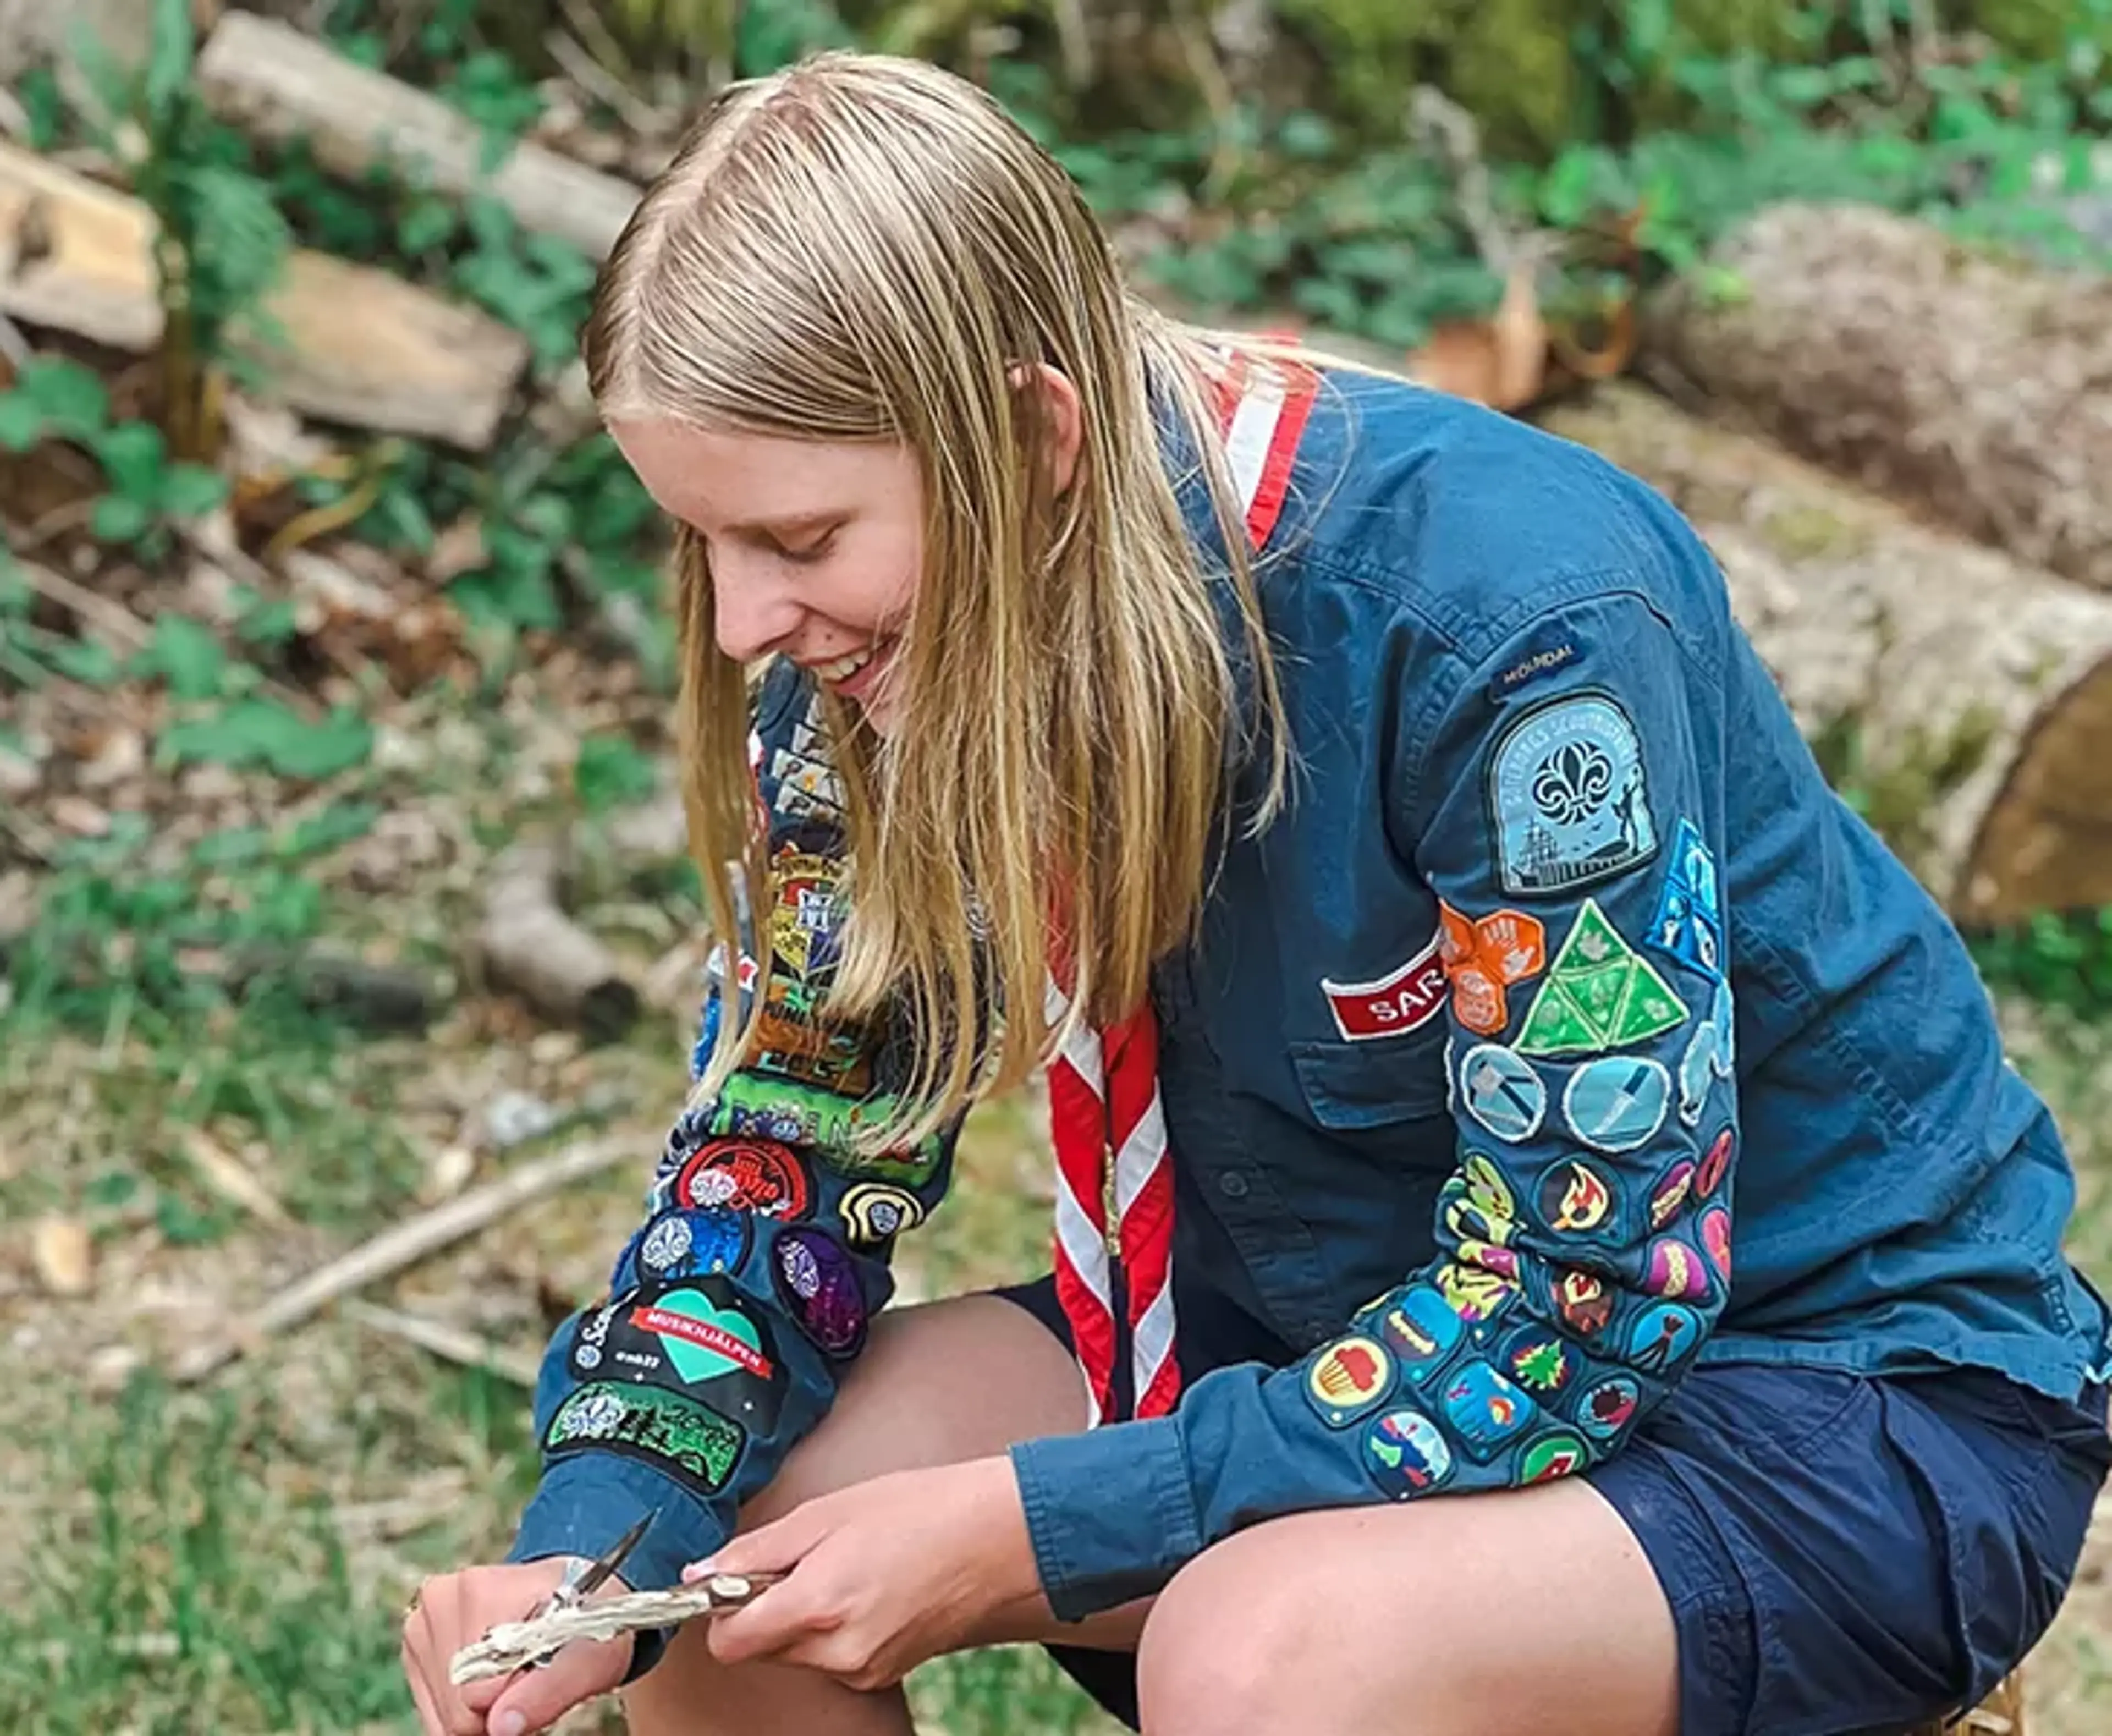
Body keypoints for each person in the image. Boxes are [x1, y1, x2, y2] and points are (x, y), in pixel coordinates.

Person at [397, 49, 2112, 1736]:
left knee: (1264, 1656)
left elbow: (1578, 1304)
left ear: (1033, 436)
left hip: (1818, 1387)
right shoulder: (875, 664)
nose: (740, 624)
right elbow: (784, 1149)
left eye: (797, 537)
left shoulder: (1509, 629)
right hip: (1324, 1338)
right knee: (724, 1555)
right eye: (702, 543)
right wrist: (594, 1545)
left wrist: (1040, 1525)